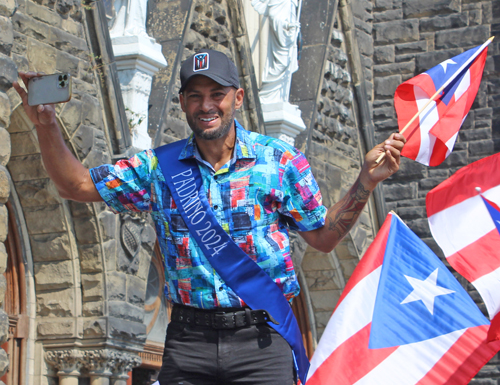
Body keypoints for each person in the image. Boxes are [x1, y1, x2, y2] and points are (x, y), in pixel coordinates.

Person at [13, 48, 405, 385]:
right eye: (196, 96)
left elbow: (324, 236)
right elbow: (76, 186)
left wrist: (365, 182)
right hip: (189, 340)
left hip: (262, 339)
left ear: (236, 98)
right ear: (182, 101)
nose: (206, 106)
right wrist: (45, 125)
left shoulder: (279, 161)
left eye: (217, 94)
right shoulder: (158, 168)